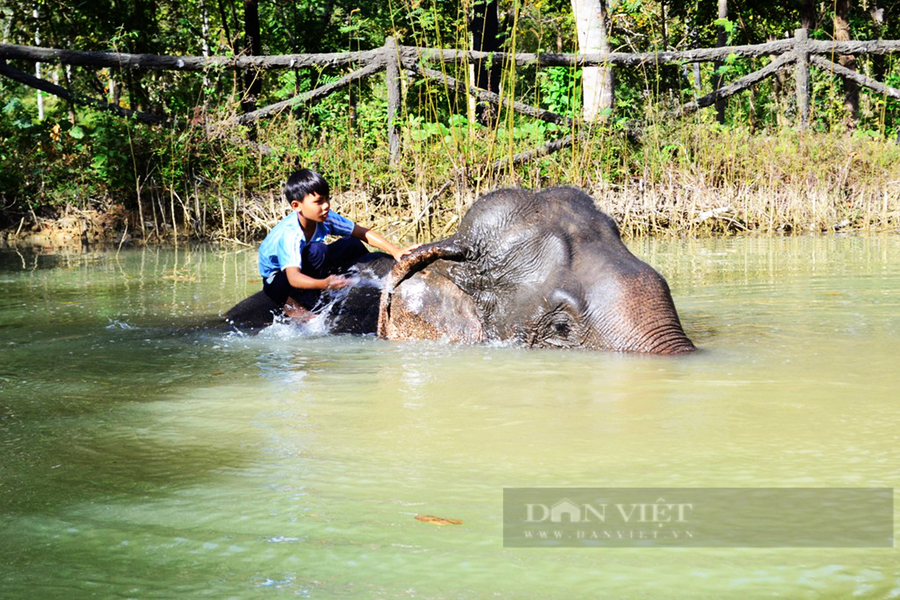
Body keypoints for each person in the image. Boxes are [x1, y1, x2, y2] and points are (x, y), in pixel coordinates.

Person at [258, 168, 413, 317]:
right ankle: (299, 300)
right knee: (318, 251)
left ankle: (344, 284)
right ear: (296, 206)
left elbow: (361, 232)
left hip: (306, 263)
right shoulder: (291, 234)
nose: (326, 206)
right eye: (318, 201)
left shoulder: (326, 217)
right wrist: (325, 283)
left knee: (352, 243)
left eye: (327, 199)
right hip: (279, 280)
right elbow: (293, 277)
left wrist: (395, 250)